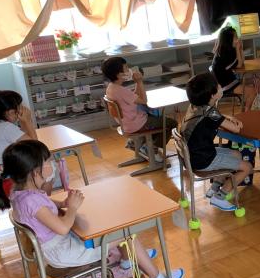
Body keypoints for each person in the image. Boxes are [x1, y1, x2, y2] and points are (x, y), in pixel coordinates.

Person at [0, 140, 183, 278]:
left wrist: (62, 203)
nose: (50, 165)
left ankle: (128, 261)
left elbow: (43, 206)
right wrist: (72, 208)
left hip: (58, 249)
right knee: (127, 232)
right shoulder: (32, 201)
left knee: (115, 228)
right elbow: (62, 228)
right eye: (46, 162)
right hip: (65, 254)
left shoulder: (20, 193)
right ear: (34, 172)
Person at [180, 73, 252, 211]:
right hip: (203, 159)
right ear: (213, 95)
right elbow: (236, 129)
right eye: (218, 86)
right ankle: (220, 197)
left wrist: (227, 117)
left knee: (236, 154)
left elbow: (214, 115)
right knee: (247, 167)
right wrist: (235, 122)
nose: (220, 86)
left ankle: (214, 188)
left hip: (192, 156)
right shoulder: (210, 113)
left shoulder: (194, 106)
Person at [102, 57, 176, 163]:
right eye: (126, 68)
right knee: (170, 123)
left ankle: (137, 143)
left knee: (156, 119)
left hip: (126, 123)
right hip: (136, 124)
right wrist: (140, 82)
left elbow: (135, 97)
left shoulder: (111, 87)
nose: (129, 70)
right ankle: (151, 148)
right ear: (119, 74)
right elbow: (143, 100)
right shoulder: (121, 90)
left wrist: (136, 82)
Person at [0, 90, 36, 203]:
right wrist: (28, 121)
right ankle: (40, 207)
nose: (20, 110)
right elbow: (36, 146)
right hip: (2, 183)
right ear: (9, 112)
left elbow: (23, 139)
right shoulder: (6, 128)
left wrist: (23, 122)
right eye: (18, 108)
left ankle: (40, 205)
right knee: (43, 174)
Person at [210, 26, 244, 94]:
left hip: (229, 81)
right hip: (225, 86)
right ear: (229, 40)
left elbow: (242, 62)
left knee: (256, 82)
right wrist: (238, 49)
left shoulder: (229, 49)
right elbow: (240, 65)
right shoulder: (225, 55)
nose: (237, 39)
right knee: (253, 90)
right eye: (235, 37)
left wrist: (240, 49)